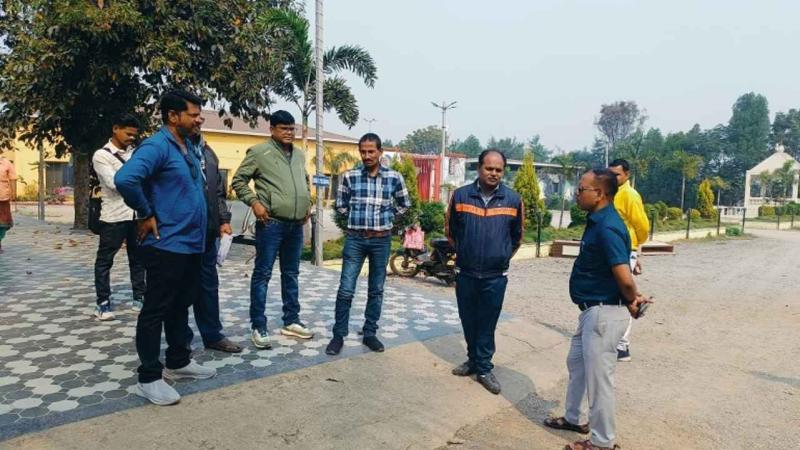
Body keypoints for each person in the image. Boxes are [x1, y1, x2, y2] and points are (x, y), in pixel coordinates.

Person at [115, 90, 216, 406]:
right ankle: (148, 378)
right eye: (193, 114)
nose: (199, 119)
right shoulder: (157, 146)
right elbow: (126, 179)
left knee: (180, 304)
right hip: (167, 244)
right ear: (173, 116)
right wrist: (146, 212)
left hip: (190, 244)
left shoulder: (187, 146)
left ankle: (178, 361)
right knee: (156, 309)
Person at [544, 169, 652, 450]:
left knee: (599, 380)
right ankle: (575, 418)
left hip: (604, 313)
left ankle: (603, 442)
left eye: (582, 189)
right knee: (577, 365)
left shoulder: (607, 227)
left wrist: (632, 298)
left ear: (600, 194)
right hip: (592, 312)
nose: (577, 194)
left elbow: (624, 275)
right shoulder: (598, 220)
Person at [231, 110, 313, 349]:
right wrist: (254, 203)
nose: (289, 133)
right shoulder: (259, 152)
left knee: (291, 274)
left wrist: (307, 203)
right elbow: (238, 181)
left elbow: (305, 181)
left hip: (295, 226)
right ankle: (258, 325)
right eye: (283, 128)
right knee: (262, 274)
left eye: (291, 129)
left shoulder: (299, 155)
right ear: (272, 129)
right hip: (271, 224)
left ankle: (291, 320)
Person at [325, 133, 411, 356]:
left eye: (371, 151)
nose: (367, 155)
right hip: (355, 239)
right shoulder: (350, 176)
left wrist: (387, 216)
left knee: (376, 289)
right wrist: (356, 218)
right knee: (346, 288)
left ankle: (370, 333)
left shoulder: (394, 177)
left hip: (381, 240)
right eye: (363, 151)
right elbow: (340, 205)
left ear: (380, 152)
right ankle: (338, 335)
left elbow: (405, 204)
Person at [445, 149, 523, 395]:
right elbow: (451, 231)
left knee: (488, 322)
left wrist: (500, 257)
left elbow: (517, 237)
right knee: (468, 319)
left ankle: (485, 369)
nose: (494, 173)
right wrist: (465, 253)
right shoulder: (460, 196)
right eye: (489, 168)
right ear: (479, 168)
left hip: (495, 276)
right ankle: (472, 360)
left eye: (499, 170)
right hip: (466, 272)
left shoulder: (513, 200)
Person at [186, 123, 241, 353]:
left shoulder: (207, 152)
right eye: (193, 116)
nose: (198, 121)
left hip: (207, 235)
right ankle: (180, 341)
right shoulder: (170, 150)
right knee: (180, 288)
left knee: (208, 287)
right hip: (181, 234)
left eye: (200, 117)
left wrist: (224, 220)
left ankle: (212, 335)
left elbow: (218, 192)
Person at [92, 114, 146, 320]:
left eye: (134, 135)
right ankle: (102, 303)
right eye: (128, 133)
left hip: (137, 215)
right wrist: (137, 178)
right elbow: (115, 183)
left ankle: (139, 297)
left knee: (138, 259)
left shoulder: (137, 153)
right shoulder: (101, 155)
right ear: (115, 129)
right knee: (105, 261)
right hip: (113, 216)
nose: (131, 138)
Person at [608, 158, 650, 362]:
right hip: (614, 250)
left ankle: (622, 346)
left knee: (624, 295)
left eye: (617, 174)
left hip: (625, 250)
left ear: (627, 175)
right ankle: (613, 340)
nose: (613, 177)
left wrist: (634, 246)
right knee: (612, 295)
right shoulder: (610, 192)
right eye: (611, 173)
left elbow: (642, 225)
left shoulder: (630, 195)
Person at [0, 151, 16, 254]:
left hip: (3, 198)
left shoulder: (6, 163)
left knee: (3, 223)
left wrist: (14, 193)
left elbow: (13, 178)